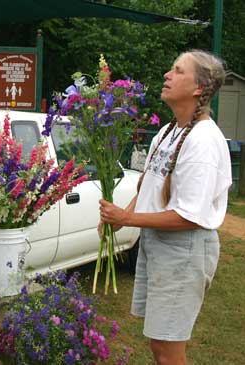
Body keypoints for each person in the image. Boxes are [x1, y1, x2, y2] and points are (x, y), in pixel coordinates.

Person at [98, 49, 231, 365]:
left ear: (199, 87)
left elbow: (189, 216)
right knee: (159, 344)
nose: (167, 75)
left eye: (177, 70)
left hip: (183, 250)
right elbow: (149, 185)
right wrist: (122, 218)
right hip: (159, 244)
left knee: (169, 351)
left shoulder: (203, 141)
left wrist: (128, 217)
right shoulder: (169, 132)